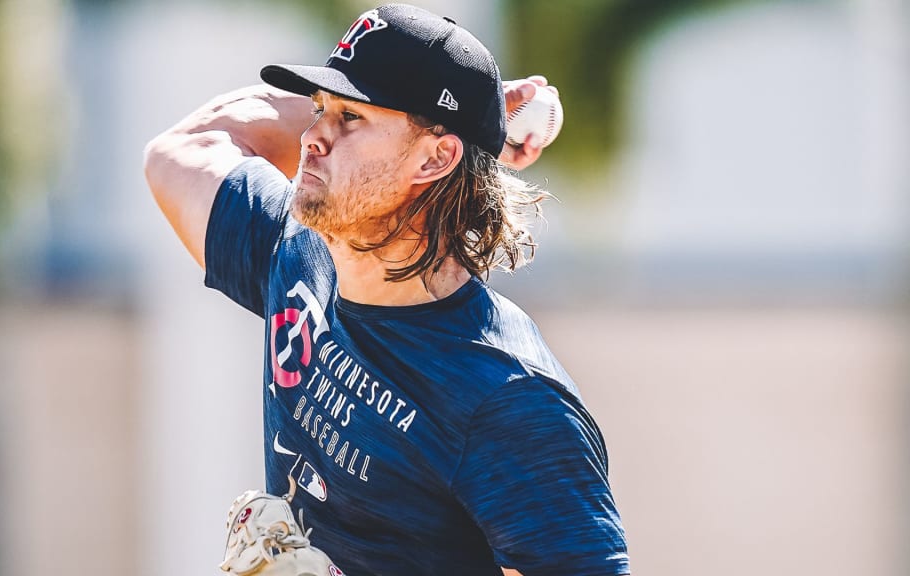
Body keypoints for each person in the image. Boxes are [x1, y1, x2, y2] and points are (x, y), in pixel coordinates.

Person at [144, 4, 629, 575]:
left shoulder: (506, 400)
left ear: (435, 158)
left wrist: (462, 122)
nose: (313, 137)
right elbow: (184, 149)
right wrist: (476, 116)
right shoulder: (297, 252)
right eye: (320, 108)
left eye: (352, 118)